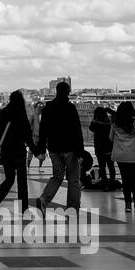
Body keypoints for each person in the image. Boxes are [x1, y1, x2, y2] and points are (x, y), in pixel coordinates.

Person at [0, 90, 37, 214]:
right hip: (19, 151)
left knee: (9, 179)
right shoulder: (21, 114)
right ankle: (23, 209)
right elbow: (28, 137)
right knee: (22, 181)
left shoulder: (3, 113)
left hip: (6, 151)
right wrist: (37, 151)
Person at [35, 80, 83, 214]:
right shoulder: (70, 108)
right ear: (68, 92)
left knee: (57, 177)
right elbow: (77, 130)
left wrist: (41, 150)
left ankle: (44, 199)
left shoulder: (48, 108)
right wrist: (80, 152)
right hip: (70, 148)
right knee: (73, 180)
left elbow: (43, 130)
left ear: (56, 91)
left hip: (54, 148)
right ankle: (72, 210)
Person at [110, 101, 135, 212]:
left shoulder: (115, 123)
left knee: (125, 179)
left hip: (120, 155)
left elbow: (110, 138)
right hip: (134, 154)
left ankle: (127, 203)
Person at [88, 106, 115, 188]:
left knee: (102, 167)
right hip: (109, 147)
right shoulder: (110, 123)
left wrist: (95, 119)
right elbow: (117, 116)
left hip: (99, 148)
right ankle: (112, 182)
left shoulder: (95, 123)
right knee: (111, 166)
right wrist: (109, 111)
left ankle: (105, 184)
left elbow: (91, 128)